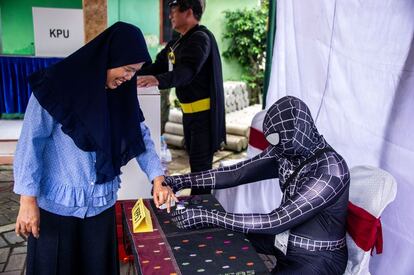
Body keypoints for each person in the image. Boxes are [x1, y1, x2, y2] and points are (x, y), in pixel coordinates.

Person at [13, 22, 176, 275]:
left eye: (135, 72)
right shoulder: (56, 85)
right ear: (110, 57)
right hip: (57, 209)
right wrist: (27, 200)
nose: (129, 77)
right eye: (127, 69)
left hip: (100, 209)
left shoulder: (121, 93)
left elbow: (139, 135)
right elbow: (31, 143)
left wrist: (157, 178)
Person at [164, 96, 350, 274]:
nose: (275, 148)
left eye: (279, 141)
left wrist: (208, 216)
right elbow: (235, 173)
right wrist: (181, 180)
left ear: (300, 131)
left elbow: (276, 221)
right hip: (283, 240)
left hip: (317, 257)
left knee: (215, 225)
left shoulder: (330, 171)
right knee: (215, 236)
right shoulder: (287, 149)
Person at [137, 0, 226, 195]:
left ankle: (202, 214)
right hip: (190, 116)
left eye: (174, 11)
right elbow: (156, 66)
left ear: (189, 12)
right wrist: (131, 73)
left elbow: (187, 72)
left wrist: (157, 80)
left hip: (203, 117)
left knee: (201, 171)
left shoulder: (200, 38)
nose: (170, 16)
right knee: (195, 165)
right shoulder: (177, 42)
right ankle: (198, 211)